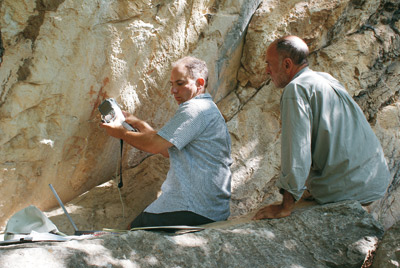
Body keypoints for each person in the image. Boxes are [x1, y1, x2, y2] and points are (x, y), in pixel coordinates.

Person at [253, 36, 391, 220]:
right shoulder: (325, 78)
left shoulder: (296, 89)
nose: (267, 70)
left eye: (269, 64)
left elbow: (297, 151)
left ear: (287, 64)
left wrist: (285, 206)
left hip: (353, 187)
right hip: (376, 179)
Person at [101, 56, 232, 228]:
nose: (173, 91)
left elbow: (154, 145)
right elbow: (165, 147)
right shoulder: (207, 108)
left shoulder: (193, 109)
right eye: (172, 84)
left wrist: (120, 132)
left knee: (131, 232)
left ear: (199, 83)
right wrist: (137, 123)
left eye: (180, 83)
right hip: (211, 209)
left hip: (191, 207)